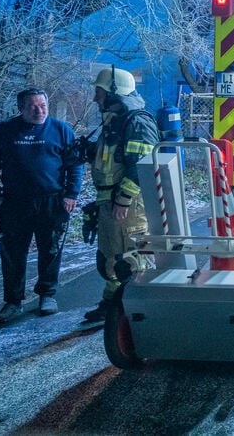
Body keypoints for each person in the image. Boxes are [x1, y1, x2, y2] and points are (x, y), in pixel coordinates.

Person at [0, 88, 83, 324]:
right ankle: (13, 301)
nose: (39, 111)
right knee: (13, 253)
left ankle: (47, 295)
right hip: (13, 202)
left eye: (43, 106)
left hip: (52, 201)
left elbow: (75, 164)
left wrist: (71, 194)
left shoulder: (61, 130)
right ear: (21, 108)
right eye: (33, 106)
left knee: (50, 249)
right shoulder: (4, 131)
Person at [82, 67, 159, 323]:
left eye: (99, 92)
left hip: (127, 204)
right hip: (110, 199)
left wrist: (123, 199)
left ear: (115, 92)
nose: (95, 98)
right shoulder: (115, 120)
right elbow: (113, 158)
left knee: (131, 256)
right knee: (112, 254)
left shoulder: (137, 121)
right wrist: (89, 150)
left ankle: (138, 307)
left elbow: (141, 164)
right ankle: (114, 303)